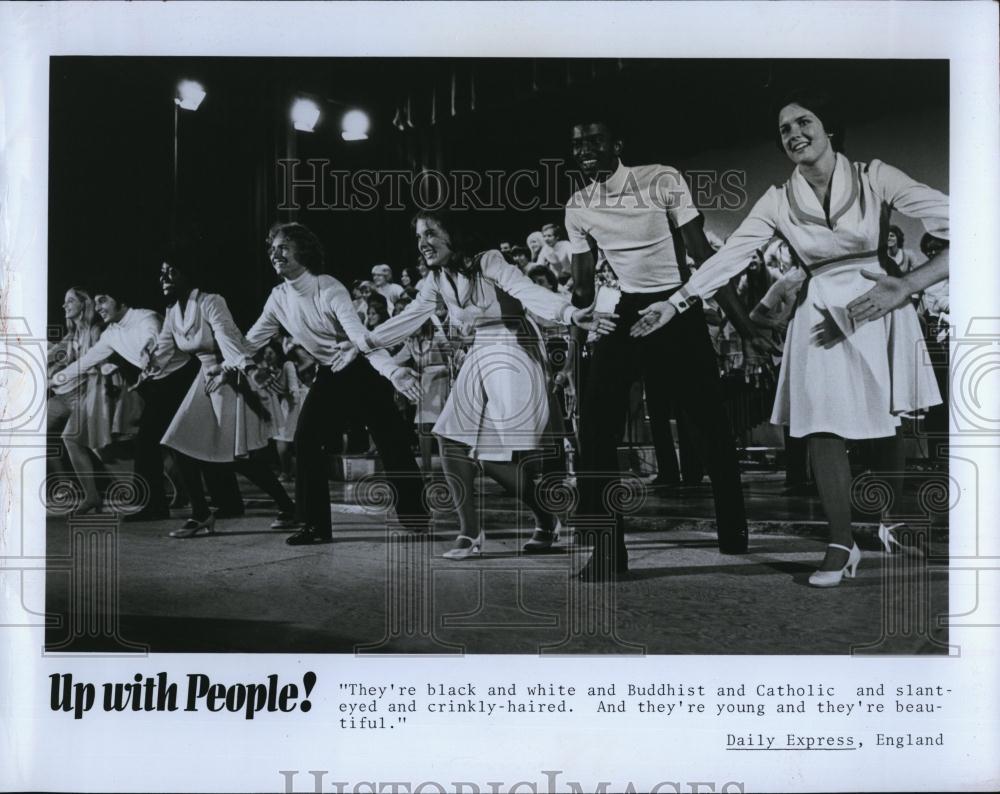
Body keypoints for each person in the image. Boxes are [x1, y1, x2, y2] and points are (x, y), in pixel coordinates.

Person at [633, 89, 948, 586]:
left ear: (829, 129)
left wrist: (907, 284)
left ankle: (890, 522)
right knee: (823, 428)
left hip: (881, 303)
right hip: (820, 311)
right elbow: (731, 255)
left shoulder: (875, 176)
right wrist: (676, 302)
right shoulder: (777, 201)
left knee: (889, 426)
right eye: (784, 129)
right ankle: (841, 544)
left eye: (804, 122)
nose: (795, 133)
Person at [348, 210, 613, 559]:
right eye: (418, 237)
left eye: (430, 233)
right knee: (450, 438)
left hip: (514, 349)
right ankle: (470, 533)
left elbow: (524, 289)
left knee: (493, 458)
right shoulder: (436, 279)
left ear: (452, 234)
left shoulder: (488, 261)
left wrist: (567, 313)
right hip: (478, 352)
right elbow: (410, 317)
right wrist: (362, 344)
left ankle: (547, 520)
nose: (423, 243)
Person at [564, 114, 758, 581]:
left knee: (709, 424)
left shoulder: (661, 179)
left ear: (617, 141)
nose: (586, 147)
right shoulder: (578, 206)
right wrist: (575, 335)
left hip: (676, 305)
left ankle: (733, 531)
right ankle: (608, 548)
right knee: (594, 426)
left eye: (595, 137)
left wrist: (745, 327)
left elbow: (702, 255)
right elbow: (583, 287)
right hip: (625, 311)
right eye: (578, 143)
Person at [235, 222, 429, 545]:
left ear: (303, 251)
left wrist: (394, 372)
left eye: (283, 247)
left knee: (391, 440)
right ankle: (315, 526)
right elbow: (248, 342)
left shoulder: (329, 288)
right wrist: (226, 360)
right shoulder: (278, 298)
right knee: (306, 438)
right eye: (272, 249)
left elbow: (361, 340)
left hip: (363, 367)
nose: (274, 254)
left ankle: (415, 515)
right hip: (331, 372)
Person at [145, 255, 297, 538]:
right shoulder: (172, 313)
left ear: (188, 275)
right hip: (205, 379)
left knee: (242, 457)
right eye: (162, 272)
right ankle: (201, 515)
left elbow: (228, 339)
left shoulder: (211, 302)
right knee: (177, 442)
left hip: (231, 377)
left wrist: (248, 369)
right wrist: (148, 364)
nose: (164, 278)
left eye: (172, 271)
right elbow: (165, 352)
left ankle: (289, 507)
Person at [51, 287, 196, 521]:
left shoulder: (145, 317)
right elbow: (86, 361)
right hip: (158, 386)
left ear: (121, 301)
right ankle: (158, 506)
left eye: (103, 300)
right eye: (96, 302)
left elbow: (152, 335)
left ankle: (210, 500)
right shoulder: (111, 334)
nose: (98, 307)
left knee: (181, 443)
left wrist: (147, 350)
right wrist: (54, 379)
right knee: (154, 444)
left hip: (183, 379)